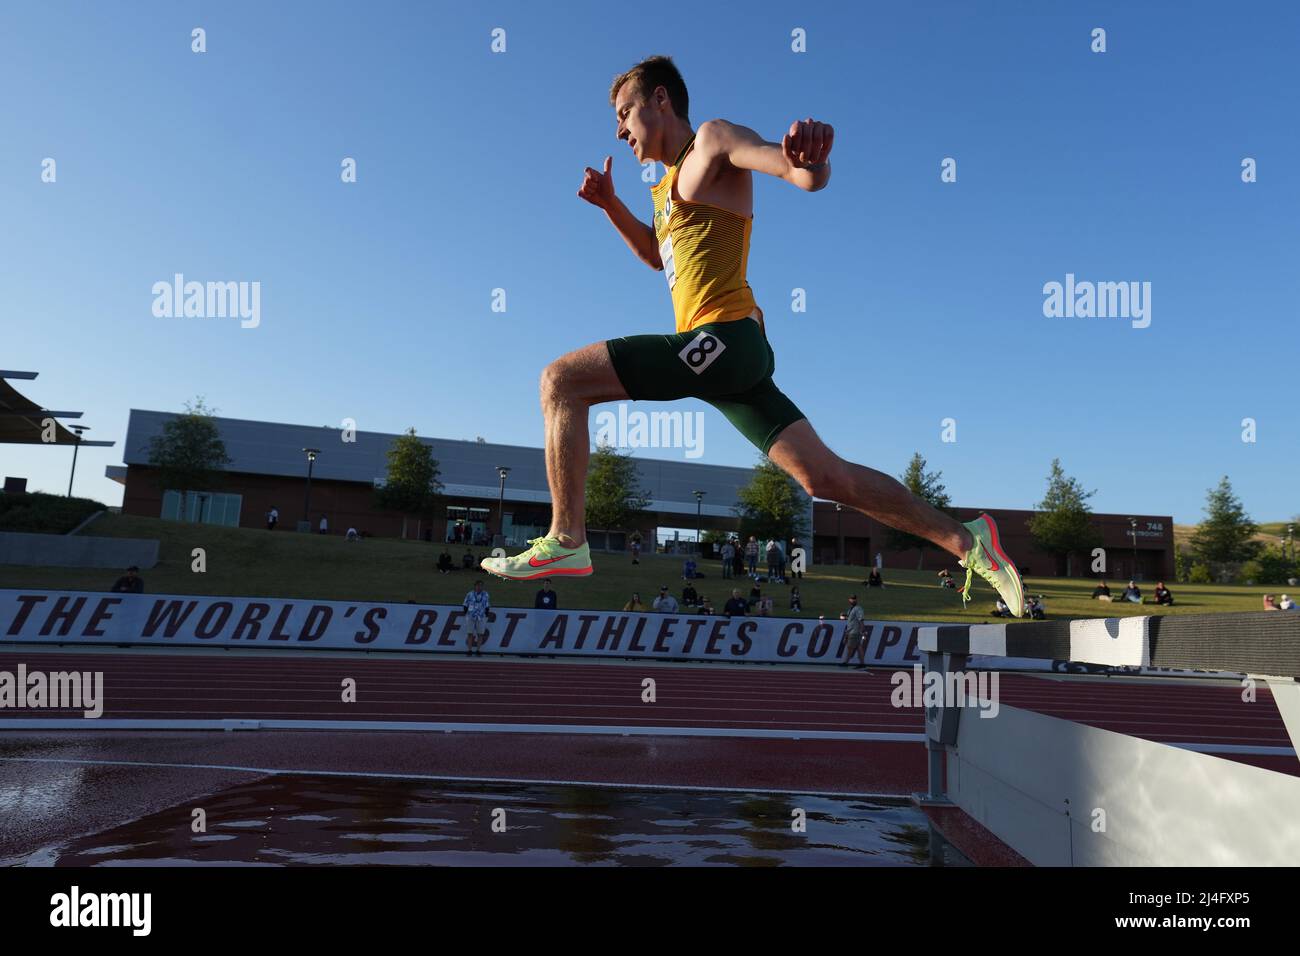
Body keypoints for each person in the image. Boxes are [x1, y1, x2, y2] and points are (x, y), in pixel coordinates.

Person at [479, 55, 1023, 618]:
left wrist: (809, 162)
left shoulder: (712, 142)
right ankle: (970, 541)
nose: (619, 129)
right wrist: (611, 204)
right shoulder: (664, 189)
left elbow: (793, 171)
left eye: (625, 112)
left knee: (561, 382)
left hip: (725, 341)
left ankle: (567, 539)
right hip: (722, 360)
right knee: (824, 477)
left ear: (661, 100)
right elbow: (654, 257)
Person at [839, 594, 868, 670]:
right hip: (852, 630)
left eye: (854, 599)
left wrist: (863, 630)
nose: (853, 600)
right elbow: (851, 619)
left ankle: (846, 662)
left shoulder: (858, 609)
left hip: (854, 631)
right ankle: (862, 663)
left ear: (856, 600)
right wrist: (844, 616)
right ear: (849, 600)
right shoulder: (851, 609)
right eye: (852, 599)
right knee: (858, 647)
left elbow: (861, 619)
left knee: (850, 647)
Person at [461, 580, 491, 657]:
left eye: (481, 585)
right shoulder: (470, 594)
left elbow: (487, 604)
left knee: (480, 634)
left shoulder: (486, 594)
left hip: (481, 616)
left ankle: (478, 650)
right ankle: (469, 650)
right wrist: (465, 613)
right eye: (478, 585)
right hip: (471, 615)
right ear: (475, 586)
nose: (479, 587)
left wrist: (486, 614)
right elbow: (465, 604)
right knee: (470, 633)